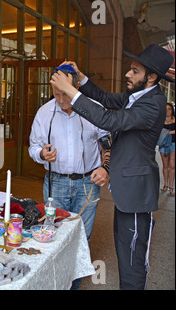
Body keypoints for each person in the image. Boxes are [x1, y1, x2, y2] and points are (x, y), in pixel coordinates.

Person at [50, 43, 174, 290]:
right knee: (125, 256)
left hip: (137, 196)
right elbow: (106, 99)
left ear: (151, 77)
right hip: (126, 192)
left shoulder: (153, 104)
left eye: (135, 71)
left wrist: (70, 92)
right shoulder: (137, 96)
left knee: (133, 263)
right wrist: (82, 79)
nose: (128, 74)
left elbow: (108, 119)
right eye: (130, 69)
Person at [29, 65, 111, 290]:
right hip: (57, 183)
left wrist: (106, 168)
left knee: (81, 238)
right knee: (52, 236)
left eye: (66, 93)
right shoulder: (45, 112)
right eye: (56, 93)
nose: (62, 99)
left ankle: (73, 285)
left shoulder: (93, 109)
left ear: (76, 86)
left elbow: (107, 139)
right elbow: (33, 146)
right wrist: (41, 154)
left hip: (88, 183)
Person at [159, 103, 175, 195]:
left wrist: (172, 132)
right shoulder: (160, 120)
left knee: (172, 166)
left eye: (169, 109)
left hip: (173, 144)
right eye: (165, 109)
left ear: (172, 110)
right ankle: (165, 184)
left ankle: (171, 186)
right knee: (165, 166)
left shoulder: (174, 119)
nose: (167, 111)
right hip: (163, 145)